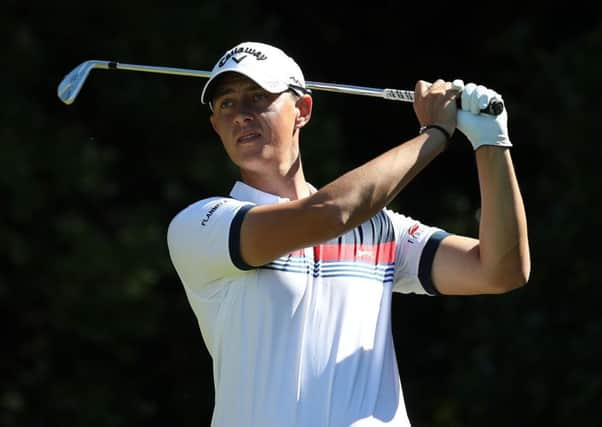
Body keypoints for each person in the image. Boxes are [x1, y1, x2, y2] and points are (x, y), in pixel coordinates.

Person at [166, 41, 530, 427]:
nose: (241, 114)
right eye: (226, 103)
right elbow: (330, 213)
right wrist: (435, 134)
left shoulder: (380, 227)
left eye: (258, 97)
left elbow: (500, 270)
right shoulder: (201, 225)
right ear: (215, 125)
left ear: (302, 110)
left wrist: (492, 144)